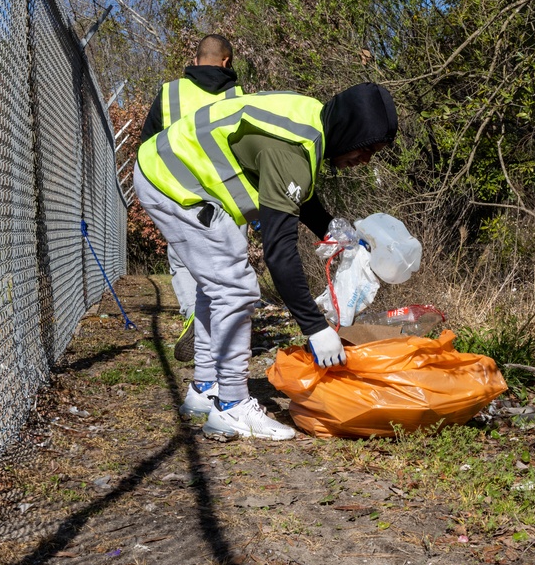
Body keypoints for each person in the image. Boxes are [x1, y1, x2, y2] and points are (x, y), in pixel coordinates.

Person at [133, 83, 398, 440]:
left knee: (217, 284)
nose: (365, 161)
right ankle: (231, 406)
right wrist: (315, 328)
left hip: (166, 168)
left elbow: (295, 188)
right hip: (174, 183)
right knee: (236, 289)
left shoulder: (310, 117)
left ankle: (204, 388)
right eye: (367, 149)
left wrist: (331, 231)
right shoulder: (291, 151)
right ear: (351, 130)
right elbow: (279, 251)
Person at [141, 34, 245, 363]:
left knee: (183, 260)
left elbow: (148, 146)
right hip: (228, 195)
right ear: (226, 61)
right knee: (229, 264)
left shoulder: (171, 93)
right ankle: (226, 328)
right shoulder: (238, 96)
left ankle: (192, 315)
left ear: (196, 58)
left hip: (180, 194)